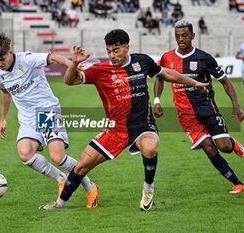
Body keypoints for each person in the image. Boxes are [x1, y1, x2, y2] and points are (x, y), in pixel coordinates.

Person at [39, 29, 208, 211]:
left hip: (143, 125)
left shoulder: (142, 61)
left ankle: (148, 188)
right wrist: (74, 64)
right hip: (115, 129)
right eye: (109, 51)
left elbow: (166, 74)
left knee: (150, 148)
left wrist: (195, 83)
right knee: (80, 167)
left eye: (116, 50)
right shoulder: (100, 70)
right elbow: (69, 81)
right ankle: (60, 203)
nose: (112, 55)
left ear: (127, 46)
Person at [0, 32, 99, 207]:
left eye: (1, 59)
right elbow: (4, 92)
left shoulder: (27, 59)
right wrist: (3, 119)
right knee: (25, 154)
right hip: (27, 118)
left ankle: (90, 187)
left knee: (58, 157)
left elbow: (53, 57)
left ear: (10, 52)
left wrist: (73, 65)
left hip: (46, 111)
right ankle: (61, 179)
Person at [154, 20, 244, 194]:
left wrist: (236, 106)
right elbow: (159, 78)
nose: (181, 39)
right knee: (209, 147)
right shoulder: (167, 58)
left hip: (207, 108)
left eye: (184, 35)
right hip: (186, 115)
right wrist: (157, 101)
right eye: (177, 36)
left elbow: (225, 81)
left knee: (224, 146)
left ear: (193, 36)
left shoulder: (204, 58)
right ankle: (237, 182)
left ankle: (234, 144)